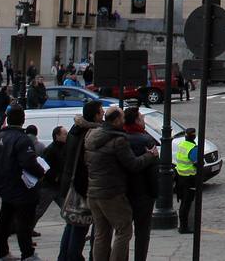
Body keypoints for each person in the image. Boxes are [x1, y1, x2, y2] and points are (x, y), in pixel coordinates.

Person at [85, 107, 155, 261]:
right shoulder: (118, 140)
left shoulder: (92, 135)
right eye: (122, 117)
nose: (124, 121)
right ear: (116, 120)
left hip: (93, 191)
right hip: (111, 193)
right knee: (124, 230)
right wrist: (150, 155)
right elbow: (133, 165)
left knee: (101, 233)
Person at [0, 106, 45, 261]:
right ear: (23, 119)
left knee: (5, 219)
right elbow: (28, 162)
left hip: (4, 184)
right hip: (21, 185)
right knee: (24, 222)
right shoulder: (22, 139)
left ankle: (1, 251)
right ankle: (27, 253)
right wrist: (41, 171)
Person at [56, 101, 103, 261]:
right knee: (80, 226)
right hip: (81, 187)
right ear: (95, 115)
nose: (103, 114)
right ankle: (72, 257)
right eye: (101, 111)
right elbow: (84, 165)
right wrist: (86, 191)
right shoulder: (89, 133)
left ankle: (64, 257)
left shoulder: (75, 130)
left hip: (70, 182)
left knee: (72, 223)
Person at [121, 107, 157, 261]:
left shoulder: (120, 138)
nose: (143, 121)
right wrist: (155, 192)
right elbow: (153, 172)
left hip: (123, 192)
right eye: (142, 118)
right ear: (136, 120)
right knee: (142, 232)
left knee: (123, 232)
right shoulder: (146, 140)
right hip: (143, 193)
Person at [37, 125, 68, 227]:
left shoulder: (65, 148)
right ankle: (26, 230)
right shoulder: (50, 149)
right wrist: (55, 177)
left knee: (67, 210)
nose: (66, 136)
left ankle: (72, 229)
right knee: (39, 210)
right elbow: (45, 167)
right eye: (64, 134)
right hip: (49, 186)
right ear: (57, 136)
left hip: (59, 186)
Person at [172, 129, 199, 234]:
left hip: (180, 176)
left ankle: (182, 225)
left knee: (183, 202)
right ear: (194, 136)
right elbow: (197, 163)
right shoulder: (193, 148)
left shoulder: (182, 144)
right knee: (186, 203)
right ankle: (184, 227)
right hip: (190, 178)